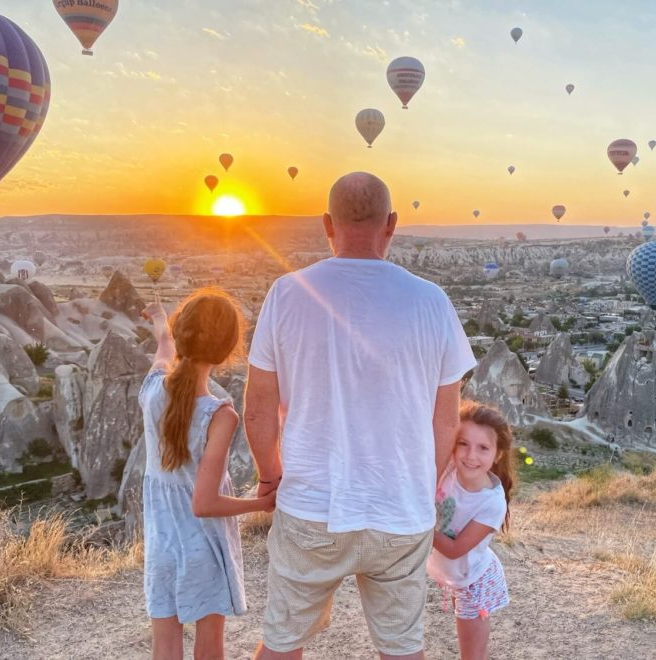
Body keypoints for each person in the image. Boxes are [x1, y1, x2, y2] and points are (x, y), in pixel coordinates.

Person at [245, 172, 477, 659]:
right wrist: (420, 482)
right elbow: (445, 420)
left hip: (312, 505)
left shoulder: (287, 293)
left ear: (326, 224)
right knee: (401, 647)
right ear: (391, 224)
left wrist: (270, 478)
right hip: (399, 511)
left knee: (282, 643)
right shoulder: (432, 301)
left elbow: (258, 409)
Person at [140, 289, 276, 660]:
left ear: (183, 334)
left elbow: (165, 347)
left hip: (162, 544)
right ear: (228, 349)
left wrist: (158, 318)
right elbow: (204, 503)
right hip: (203, 547)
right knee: (209, 648)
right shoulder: (220, 414)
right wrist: (258, 503)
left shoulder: (151, 391)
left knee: (165, 645)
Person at [427, 401, 514, 660]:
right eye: (463, 443)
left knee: (472, 656)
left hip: (475, 582)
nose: (470, 455)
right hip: (458, 576)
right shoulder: (450, 468)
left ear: (497, 454)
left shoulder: (491, 502)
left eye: (483, 448)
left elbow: (454, 550)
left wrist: (417, 521)